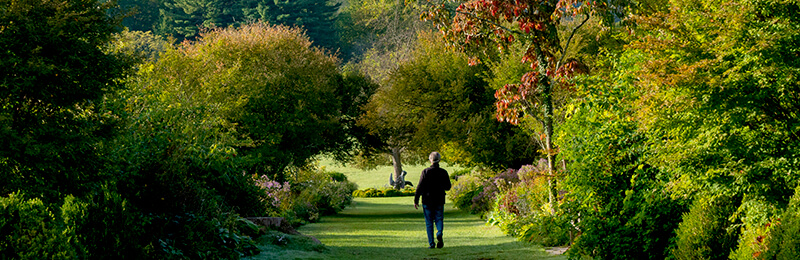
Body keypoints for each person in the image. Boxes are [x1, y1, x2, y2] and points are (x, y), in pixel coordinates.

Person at [414, 151, 451, 249]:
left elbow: (420, 186)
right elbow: (448, 187)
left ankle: (431, 244)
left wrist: (416, 200)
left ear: (430, 160)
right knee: (439, 219)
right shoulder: (443, 172)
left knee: (429, 222)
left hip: (427, 200)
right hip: (439, 199)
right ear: (439, 160)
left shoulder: (425, 172)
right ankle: (439, 232)